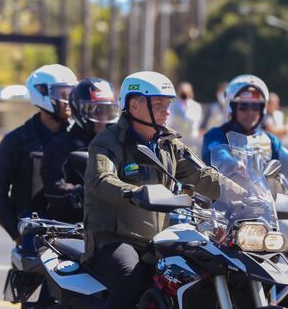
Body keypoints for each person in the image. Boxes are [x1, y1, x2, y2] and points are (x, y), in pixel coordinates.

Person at [82, 71, 226, 309]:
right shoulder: (108, 141)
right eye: (158, 104)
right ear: (134, 104)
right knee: (132, 277)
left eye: (167, 104)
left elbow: (203, 176)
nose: (166, 111)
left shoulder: (168, 144)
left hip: (157, 240)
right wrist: (134, 192)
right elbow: (100, 179)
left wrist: (243, 195)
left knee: (198, 273)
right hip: (113, 240)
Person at [0, 64, 76, 308]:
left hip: (73, 235)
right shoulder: (17, 141)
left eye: (71, 93)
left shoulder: (80, 138)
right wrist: (16, 233)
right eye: (63, 93)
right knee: (37, 304)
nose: (68, 100)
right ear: (42, 93)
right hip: (35, 238)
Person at [202, 74, 288, 174]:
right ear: (232, 108)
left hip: (263, 201)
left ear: (262, 109)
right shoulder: (216, 136)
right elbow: (217, 153)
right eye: (243, 106)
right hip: (225, 202)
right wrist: (233, 164)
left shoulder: (269, 140)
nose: (250, 112)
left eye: (255, 106)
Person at [40, 77, 119, 223]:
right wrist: (84, 192)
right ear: (78, 109)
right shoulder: (60, 146)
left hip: (115, 224)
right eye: (96, 112)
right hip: (70, 228)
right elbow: (54, 186)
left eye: (107, 111)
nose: (103, 118)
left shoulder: (118, 143)